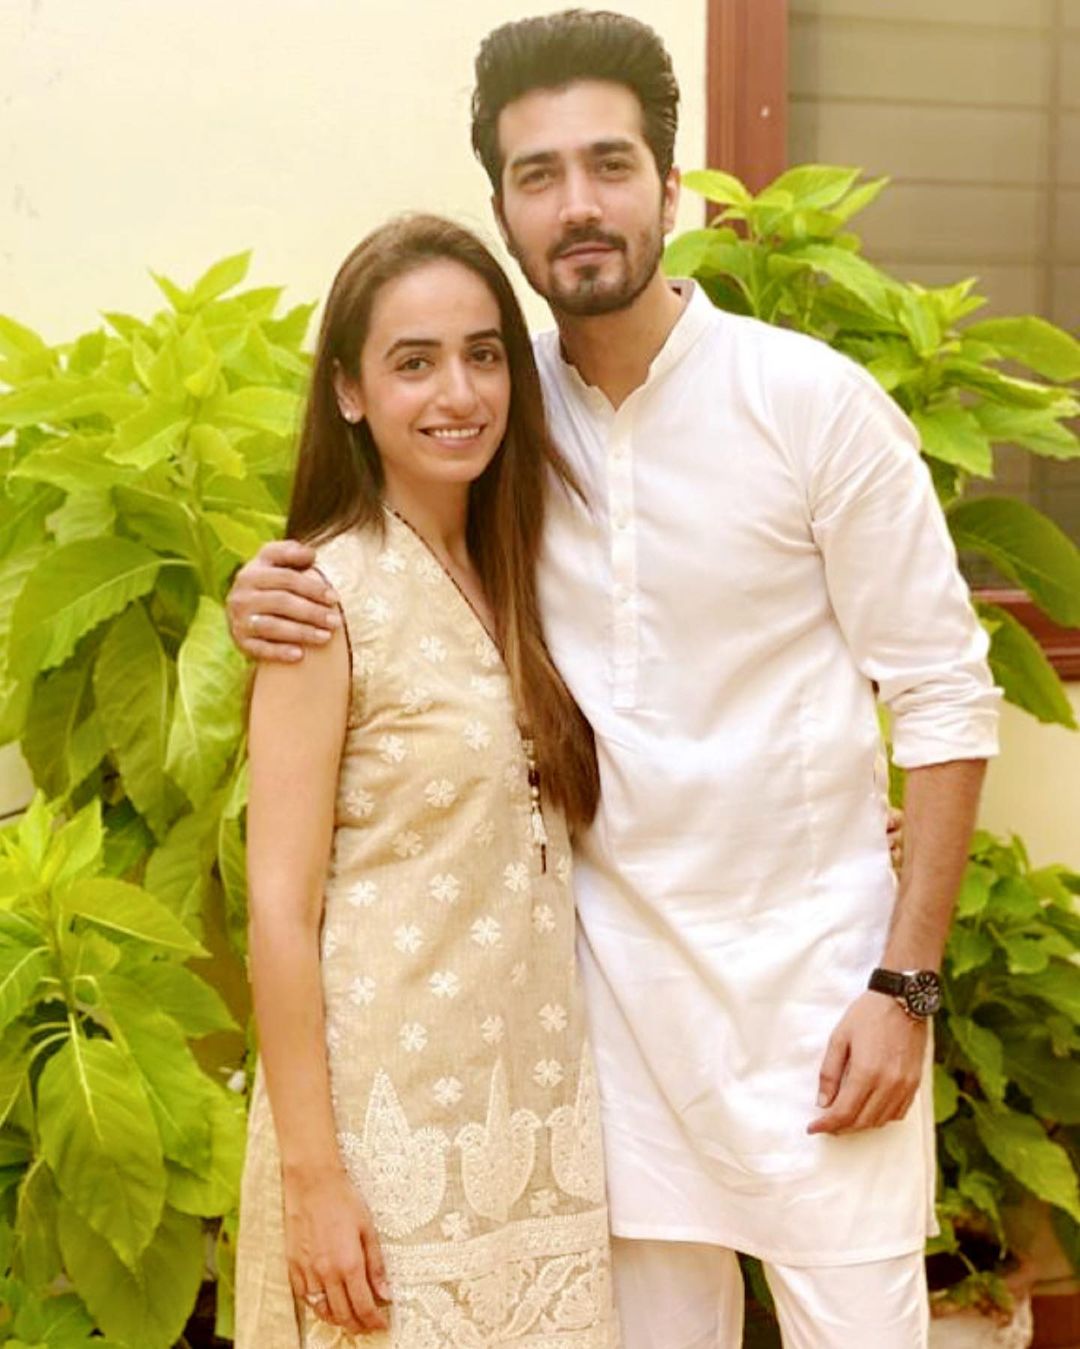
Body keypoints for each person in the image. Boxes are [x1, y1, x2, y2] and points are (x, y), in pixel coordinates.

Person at [228, 12, 1001, 1346]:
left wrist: (905, 984)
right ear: (504, 209)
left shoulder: (807, 406)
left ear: (670, 185)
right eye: (539, 175)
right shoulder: (498, 412)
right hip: (609, 1046)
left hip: (825, 1021)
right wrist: (263, 588)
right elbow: (381, 554)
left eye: (608, 163)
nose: (577, 204)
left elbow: (944, 693)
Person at [235, 213, 617, 1348]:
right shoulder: (324, 597)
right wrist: (316, 1176)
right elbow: (276, 908)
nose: (461, 390)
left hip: (538, 1130)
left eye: (485, 351)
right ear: (349, 389)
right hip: (382, 1142)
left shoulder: (541, 571)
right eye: (415, 361)